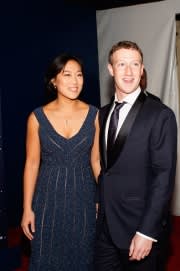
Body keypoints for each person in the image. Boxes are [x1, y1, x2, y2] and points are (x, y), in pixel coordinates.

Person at [95, 40, 177, 271]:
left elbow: (164, 176)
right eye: (121, 64)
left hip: (138, 228)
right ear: (111, 69)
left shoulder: (160, 115)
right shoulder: (103, 114)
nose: (129, 71)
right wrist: (99, 200)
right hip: (105, 228)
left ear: (142, 69)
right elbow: (106, 168)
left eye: (135, 64)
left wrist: (147, 231)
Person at [21, 53, 100, 271]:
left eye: (79, 75)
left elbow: (96, 162)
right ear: (54, 80)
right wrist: (27, 208)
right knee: (45, 258)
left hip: (83, 199)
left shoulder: (95, 115)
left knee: (83, 259)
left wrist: (102, 197)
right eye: (67, 75)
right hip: (47, 202)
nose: (75, 81)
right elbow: (32, 164)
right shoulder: (36, 118)